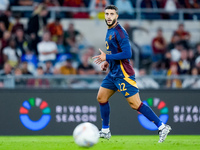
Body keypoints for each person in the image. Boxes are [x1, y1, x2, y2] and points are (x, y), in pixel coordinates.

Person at [92, 5, 171, 143]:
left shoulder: (120, 32)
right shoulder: (109, 30)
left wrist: (107, 58)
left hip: (123, 74)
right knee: (101, 97)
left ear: (117, 16)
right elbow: (114, 52)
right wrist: (107, 62)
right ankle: (105, 131)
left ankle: (162, 126)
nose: (109, 16)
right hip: (113, 73)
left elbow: (128, 53)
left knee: (135, 104)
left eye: (112, 14)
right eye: (107, 14)